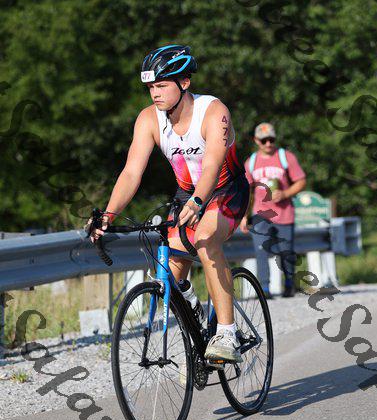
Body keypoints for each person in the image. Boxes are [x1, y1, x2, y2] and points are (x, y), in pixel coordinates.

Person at [89, 45, 249, 362]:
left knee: (205, 239)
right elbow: (132, 172)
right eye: (151, 87)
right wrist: (108, 215)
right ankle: (197, 317)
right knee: (169, 274)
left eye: (162, 85)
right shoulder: (148, 119)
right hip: (186, 195)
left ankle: (227, 333)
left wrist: (200, 201)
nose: (155, 93)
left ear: (184, 82)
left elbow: (213, 165)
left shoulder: (214, 112)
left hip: (225, 190)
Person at [240, 122, 306, 298]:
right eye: (264, 140)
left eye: (271, 139)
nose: (268, 143)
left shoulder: (286, 157)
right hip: (260, 213)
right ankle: (264, 289)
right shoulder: (251, 162)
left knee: (286, 251)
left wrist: (285, 193)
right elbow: (247, 191)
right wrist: (244, 216)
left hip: (284, 213)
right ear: (256, 140)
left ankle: (289, 283)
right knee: (261, 249)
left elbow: (301, 181)